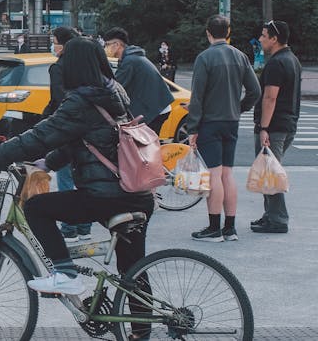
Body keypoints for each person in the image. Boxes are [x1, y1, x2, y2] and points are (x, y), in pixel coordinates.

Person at [0, 37, 152, 295]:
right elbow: (89, 139)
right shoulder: (113, 91)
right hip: (137, 193)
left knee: (36, 208)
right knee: (132, 271)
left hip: (108, 196)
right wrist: (49, 162)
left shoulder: (81, 102)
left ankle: (65, 274)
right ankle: (142, 321)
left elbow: (39, 137)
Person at [183, 14, 261, 243]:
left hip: (210, 122)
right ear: (228, 32)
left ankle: (213, 228)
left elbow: (197, 97)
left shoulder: (204, 58)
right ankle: (230, 228)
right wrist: (239, 108)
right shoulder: (240, 56)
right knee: (227, 174)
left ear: (208, 33)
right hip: (231, 122)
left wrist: (192, 128)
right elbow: (255, 91)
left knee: (214, 174)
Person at [251, 19, 301, 234]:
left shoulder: (276, 63)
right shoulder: (292, 60)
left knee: (270, 172)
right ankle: (270, 215)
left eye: (264, 35)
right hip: (287, 124)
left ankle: (278, 219)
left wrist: (264, 127)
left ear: (274, 39)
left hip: (274, 127)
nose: (260, 39)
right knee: (268, 170)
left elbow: (270, 97)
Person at [45, 26, 91, 242]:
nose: (53, 46)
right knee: (82, 179)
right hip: (86, 128)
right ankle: (84, 227)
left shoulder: (58, 67)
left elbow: (58, 99)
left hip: (65, 128)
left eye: (54, 42)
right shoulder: (85, 66)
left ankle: (69, 228)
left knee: (64, 178)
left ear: (64, 45)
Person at [103, 27, 174, 134]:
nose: (105, 48)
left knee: (144, 143)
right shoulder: (132, 57)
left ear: (117, 45)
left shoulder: (130, 61)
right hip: (158, 106)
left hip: (155, 109)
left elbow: (116, 88)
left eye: (107, 44)